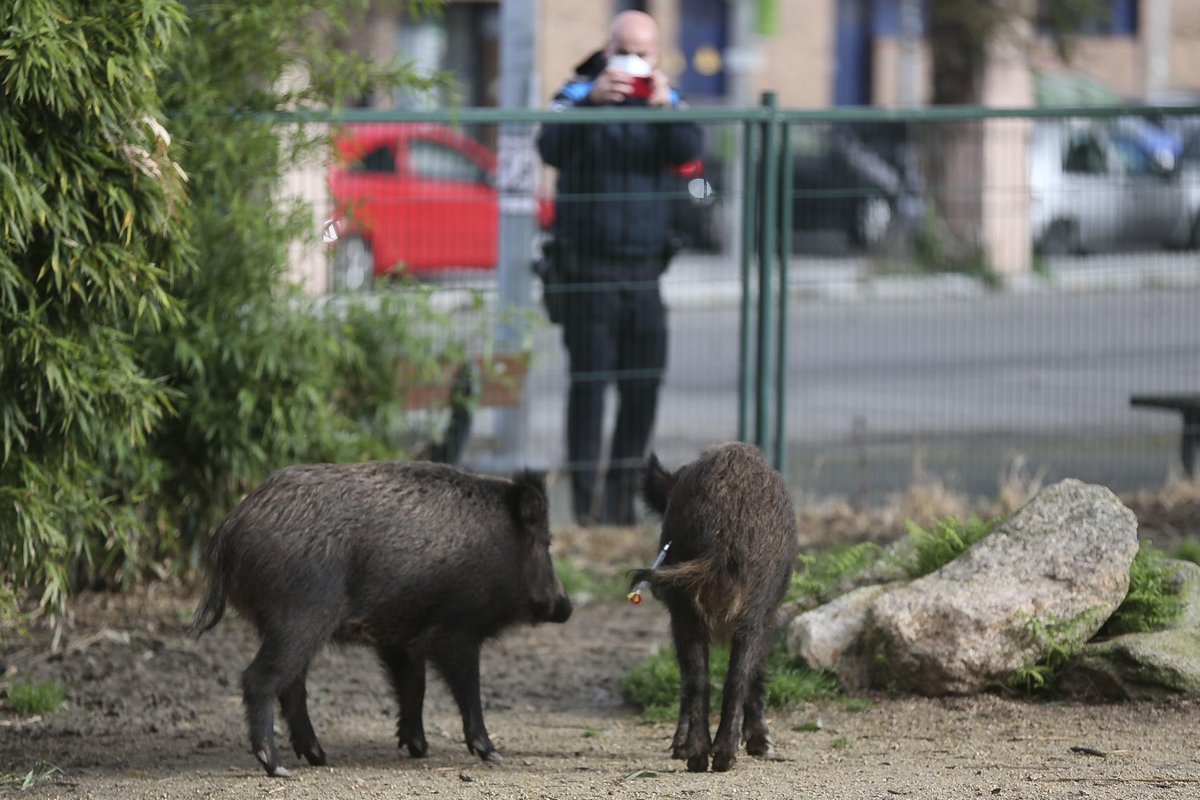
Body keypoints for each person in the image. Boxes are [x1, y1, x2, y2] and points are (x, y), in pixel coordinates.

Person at [536, 10, 702, 526]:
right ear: (608, 50)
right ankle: (586, 510)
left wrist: (663, 108)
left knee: (642, 387)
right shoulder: (575, 94)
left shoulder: (665, 98)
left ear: (655, 54)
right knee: (588, 388)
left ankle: (621, 505)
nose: (634, 59)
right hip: (588, 272)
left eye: (644, 51)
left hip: (645, 273)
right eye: (625, 49)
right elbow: (549, 146)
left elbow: (692, 154)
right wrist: (592, 102)